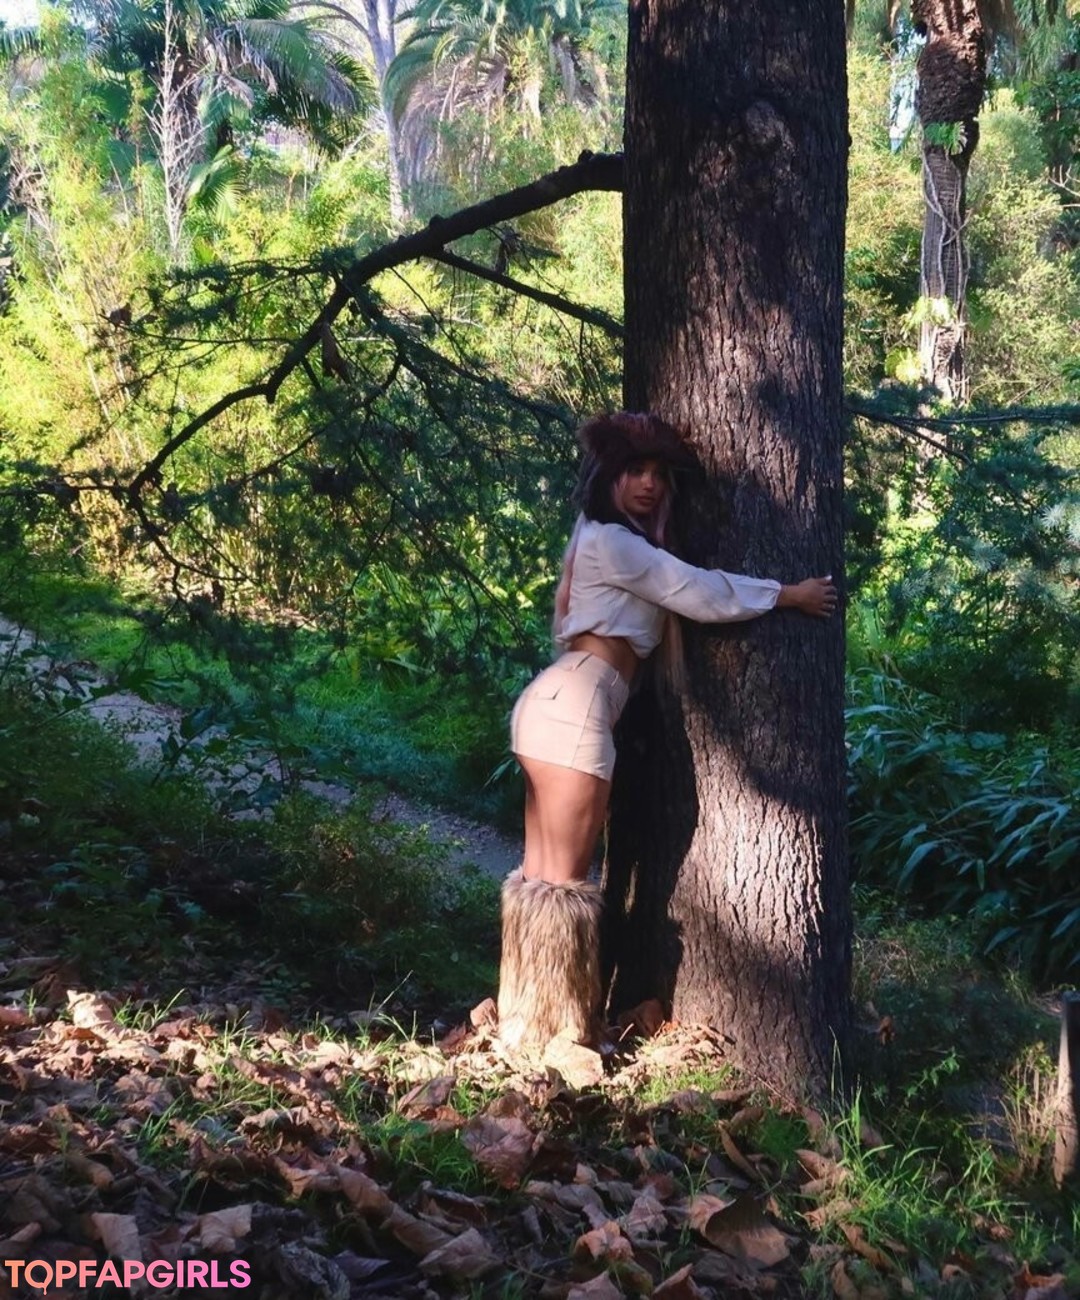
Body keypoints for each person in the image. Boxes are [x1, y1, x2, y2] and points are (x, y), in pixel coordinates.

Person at [495, 411, 838, 1052]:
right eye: (635, 471)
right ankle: (557, 1037)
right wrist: (787, 594)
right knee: (562, 886)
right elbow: (696, 590)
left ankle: (528, 1027)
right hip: (573, 711)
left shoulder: (599, 537)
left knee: (540, 883)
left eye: (658, 473)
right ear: (609, 477)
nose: (649, 484)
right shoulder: (616, 543)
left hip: (555, 704)